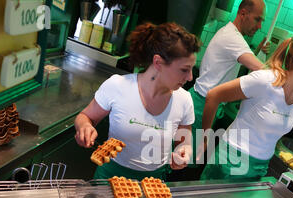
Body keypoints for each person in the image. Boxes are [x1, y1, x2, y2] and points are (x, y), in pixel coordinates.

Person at [199, 30, 293, 180]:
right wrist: (204, 139)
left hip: (261, 164)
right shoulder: (265, 81)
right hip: (231, 159)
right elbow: (213, 96)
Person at [74, 22, 200, 180]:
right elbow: (85, 116)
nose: (190, 78)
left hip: (153, 183)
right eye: (184, 70)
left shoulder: (184, 99)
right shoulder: (118, 86)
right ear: (158, 63)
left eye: (191, 70)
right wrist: (84, 126)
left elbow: (184, 141)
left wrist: (184, 151)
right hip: (109, 177)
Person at [189, 0, 269, 166]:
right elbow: (262, 70)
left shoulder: (231, 34)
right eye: (257, 19)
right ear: (243, 13)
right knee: (183, 162)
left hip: (206, 104)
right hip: (201, 106)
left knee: (188, 161)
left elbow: (236, 65)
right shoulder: (233, 38)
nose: (260, 26)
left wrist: (258, 52)